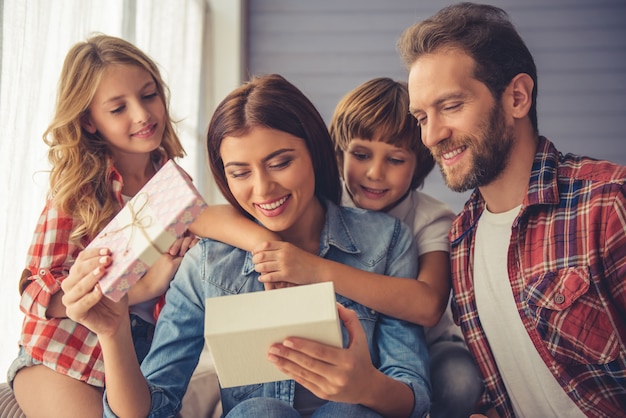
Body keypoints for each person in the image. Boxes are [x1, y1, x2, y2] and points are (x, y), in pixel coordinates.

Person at [61, 73, 431, 418]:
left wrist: (367, 386)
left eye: (281, 162)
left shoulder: (387, 241)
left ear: (316, 153)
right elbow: (156, 406)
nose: (263, 189)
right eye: (240, 172)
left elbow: (414, 394)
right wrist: (114, 334)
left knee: (348, 411)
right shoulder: (207, 265)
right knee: (260, 411)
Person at [190, 77, 483, 417]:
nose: (374, 173)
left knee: (458, 381)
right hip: (345, 357)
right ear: (339, 152)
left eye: (395, 160)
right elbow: (199, 217)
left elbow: (428, 305)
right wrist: (263, 242)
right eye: (360, 154)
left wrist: (315, 269)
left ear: (420, 166)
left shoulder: (430, 218)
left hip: (427, 344)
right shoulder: (324, 199)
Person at [396, 2, 626, 417]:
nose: (431, 135)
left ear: (517, 97)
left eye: (450, 106)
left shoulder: (608, 204)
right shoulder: (461, 241)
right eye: (421, 116)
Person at [8, 34, 197, 418]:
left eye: (148, 96)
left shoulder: (178, 185)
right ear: (89, 123)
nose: (142, 115)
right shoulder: (77, 190)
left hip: (137, 361)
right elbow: (31, 290)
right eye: (118, 108)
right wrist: (138, 286)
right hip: (63, 356)